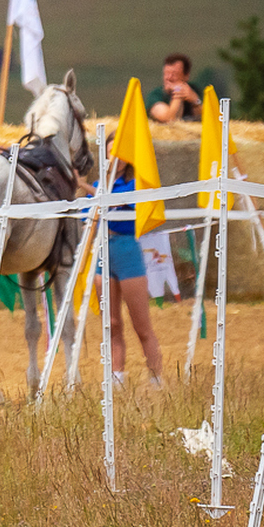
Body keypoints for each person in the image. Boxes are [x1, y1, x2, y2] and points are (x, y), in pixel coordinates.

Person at [104, 163, 165, 386]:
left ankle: (156, 378)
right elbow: (86, 215)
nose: (113, 159)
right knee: (111, 323)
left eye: (118, 154)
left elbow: (118, 200)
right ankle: (116, 377)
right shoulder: (99, 184)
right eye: (110, 153)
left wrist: (85, 187)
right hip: (104, 250)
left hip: (127, 250)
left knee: (141, 324)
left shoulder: (133, 184)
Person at [147, 53, 202, 123]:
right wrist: (178, 92)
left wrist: (195, 101)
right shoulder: (156, 95)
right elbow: (171, 119)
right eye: (166, 73)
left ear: (186, 76)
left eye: (174, 74)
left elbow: (203, 118)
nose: (169, 78)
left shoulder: (194, 89)